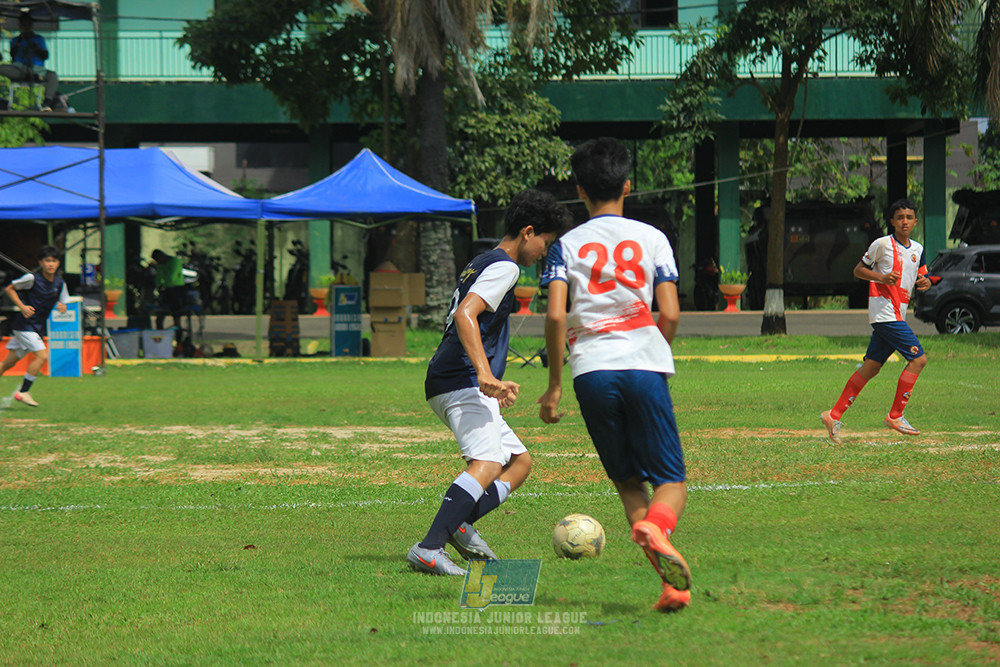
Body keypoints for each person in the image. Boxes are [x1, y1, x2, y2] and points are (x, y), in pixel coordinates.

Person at [537, 137, 692, 612]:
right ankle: (658, 528)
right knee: (671, 481)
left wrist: (554, 386)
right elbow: (670, 313)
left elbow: (557, 316)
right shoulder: (653, 238)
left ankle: (671, 586)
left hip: (591, 372)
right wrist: (652, 350)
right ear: (627, 185)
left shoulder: (565, 246)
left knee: (628, 483)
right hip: (643, 364)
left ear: (580, 191)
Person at [407, 189, 571, 576]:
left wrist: (488, 376)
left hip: (451, 375)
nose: (544, 252)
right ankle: (430, 547)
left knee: (518, 462)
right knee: (487, 461)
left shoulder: (482, 260)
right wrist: (484, 374)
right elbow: (465, 314)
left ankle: (459, 524)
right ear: (528, 232)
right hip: (461, 377)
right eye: (545, 241)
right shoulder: (506, 267)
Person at [821, 198, 931, 442]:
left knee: (871, 367)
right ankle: (895, 415)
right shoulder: (882, 244)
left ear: (915, 221)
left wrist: (927, 282)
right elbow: (858, 270)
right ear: (892, 221)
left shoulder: (918, 249)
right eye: (899, 218)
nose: (904, 222)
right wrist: (882, 278)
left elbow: (922, 277)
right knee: (918, 359)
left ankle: (833, 414)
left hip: (897, 313)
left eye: (909, 218)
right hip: (885, 314)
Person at [0, 245, 69, 407]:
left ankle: (23, 391)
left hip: (36, 327)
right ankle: (24, 391)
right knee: (42, 356)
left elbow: (64, 302)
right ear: (40, 262)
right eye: (47, 261)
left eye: (54, 261)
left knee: (7, 364)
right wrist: (22, 306)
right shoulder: (31, 279)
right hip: (25, 326)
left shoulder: (60, 283)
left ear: (58, 263)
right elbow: (10, 289)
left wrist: (63, 306)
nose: (50, 264)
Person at [0, 13, 63, 111]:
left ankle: (47, 103)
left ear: (31, 26)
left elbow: (45, 56)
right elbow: (12, 54)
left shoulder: (38, 39)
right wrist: (18, 43)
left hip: (36, 70)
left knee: (52, 76)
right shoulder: (15, 40)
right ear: (20, 26)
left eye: (27, 25)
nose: (26, 27)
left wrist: (35, 47)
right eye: (23, 25)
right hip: (19, 69)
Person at [151, 249, 186, 330]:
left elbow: (172, 277)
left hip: (177, 289)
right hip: (166, 290)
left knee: (176, 309)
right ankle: (159, 330)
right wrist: (158, 286)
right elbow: (159, 277)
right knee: (160, 310)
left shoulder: (175, 262)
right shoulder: (161, 265)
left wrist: (164, 284)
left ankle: (178, 328)